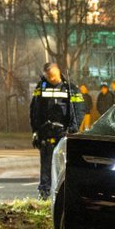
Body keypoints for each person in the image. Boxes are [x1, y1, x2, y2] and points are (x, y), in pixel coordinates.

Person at [29, 62, 83, 201]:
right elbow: (34, 109)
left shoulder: (70, 88)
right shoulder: (41, 87)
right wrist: (35, 130)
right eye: (49, 77)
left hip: (63, 132)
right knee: (46, 163)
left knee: (62, 164)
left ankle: (63, 194)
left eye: (53, 76)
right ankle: (44, 193)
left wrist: (73, 129)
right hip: (45, 131)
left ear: (58, 72)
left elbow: (78, 109)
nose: (51, 79)